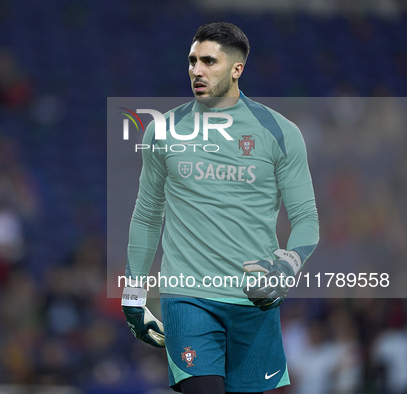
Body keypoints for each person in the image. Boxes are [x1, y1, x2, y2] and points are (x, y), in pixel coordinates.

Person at [121, 22, 319, 394]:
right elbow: (147, 216)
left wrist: (287, 266)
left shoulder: (279, 132)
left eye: (209, 61)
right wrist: (133, 292)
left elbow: (307, 219)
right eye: (192, 60)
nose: (197, 70)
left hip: (254, 299)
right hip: (187, 295)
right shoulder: (162, 132)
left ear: (236, 69)